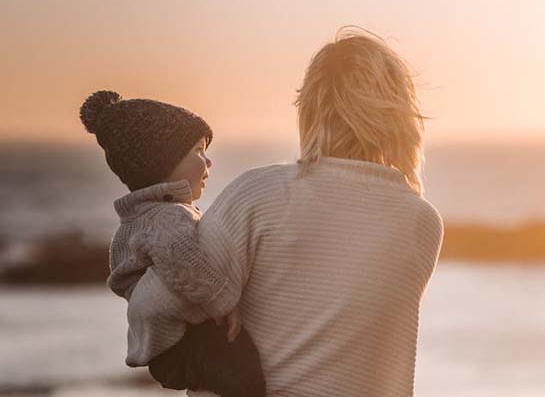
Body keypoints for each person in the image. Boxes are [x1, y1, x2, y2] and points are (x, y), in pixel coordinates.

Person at [146, 27, 444, 396]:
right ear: (399, 117)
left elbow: (164, 312)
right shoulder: (421, 223)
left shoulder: (257, 195)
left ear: (311, 109)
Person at [78, 90, 266, 397]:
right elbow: (186, 262)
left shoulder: (138, 217)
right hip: (183, 343)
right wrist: (224, 304)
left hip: (167, 347)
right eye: (198, 151)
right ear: (161, 161)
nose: (209, 162)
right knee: (246, 377)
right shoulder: (167, 218)